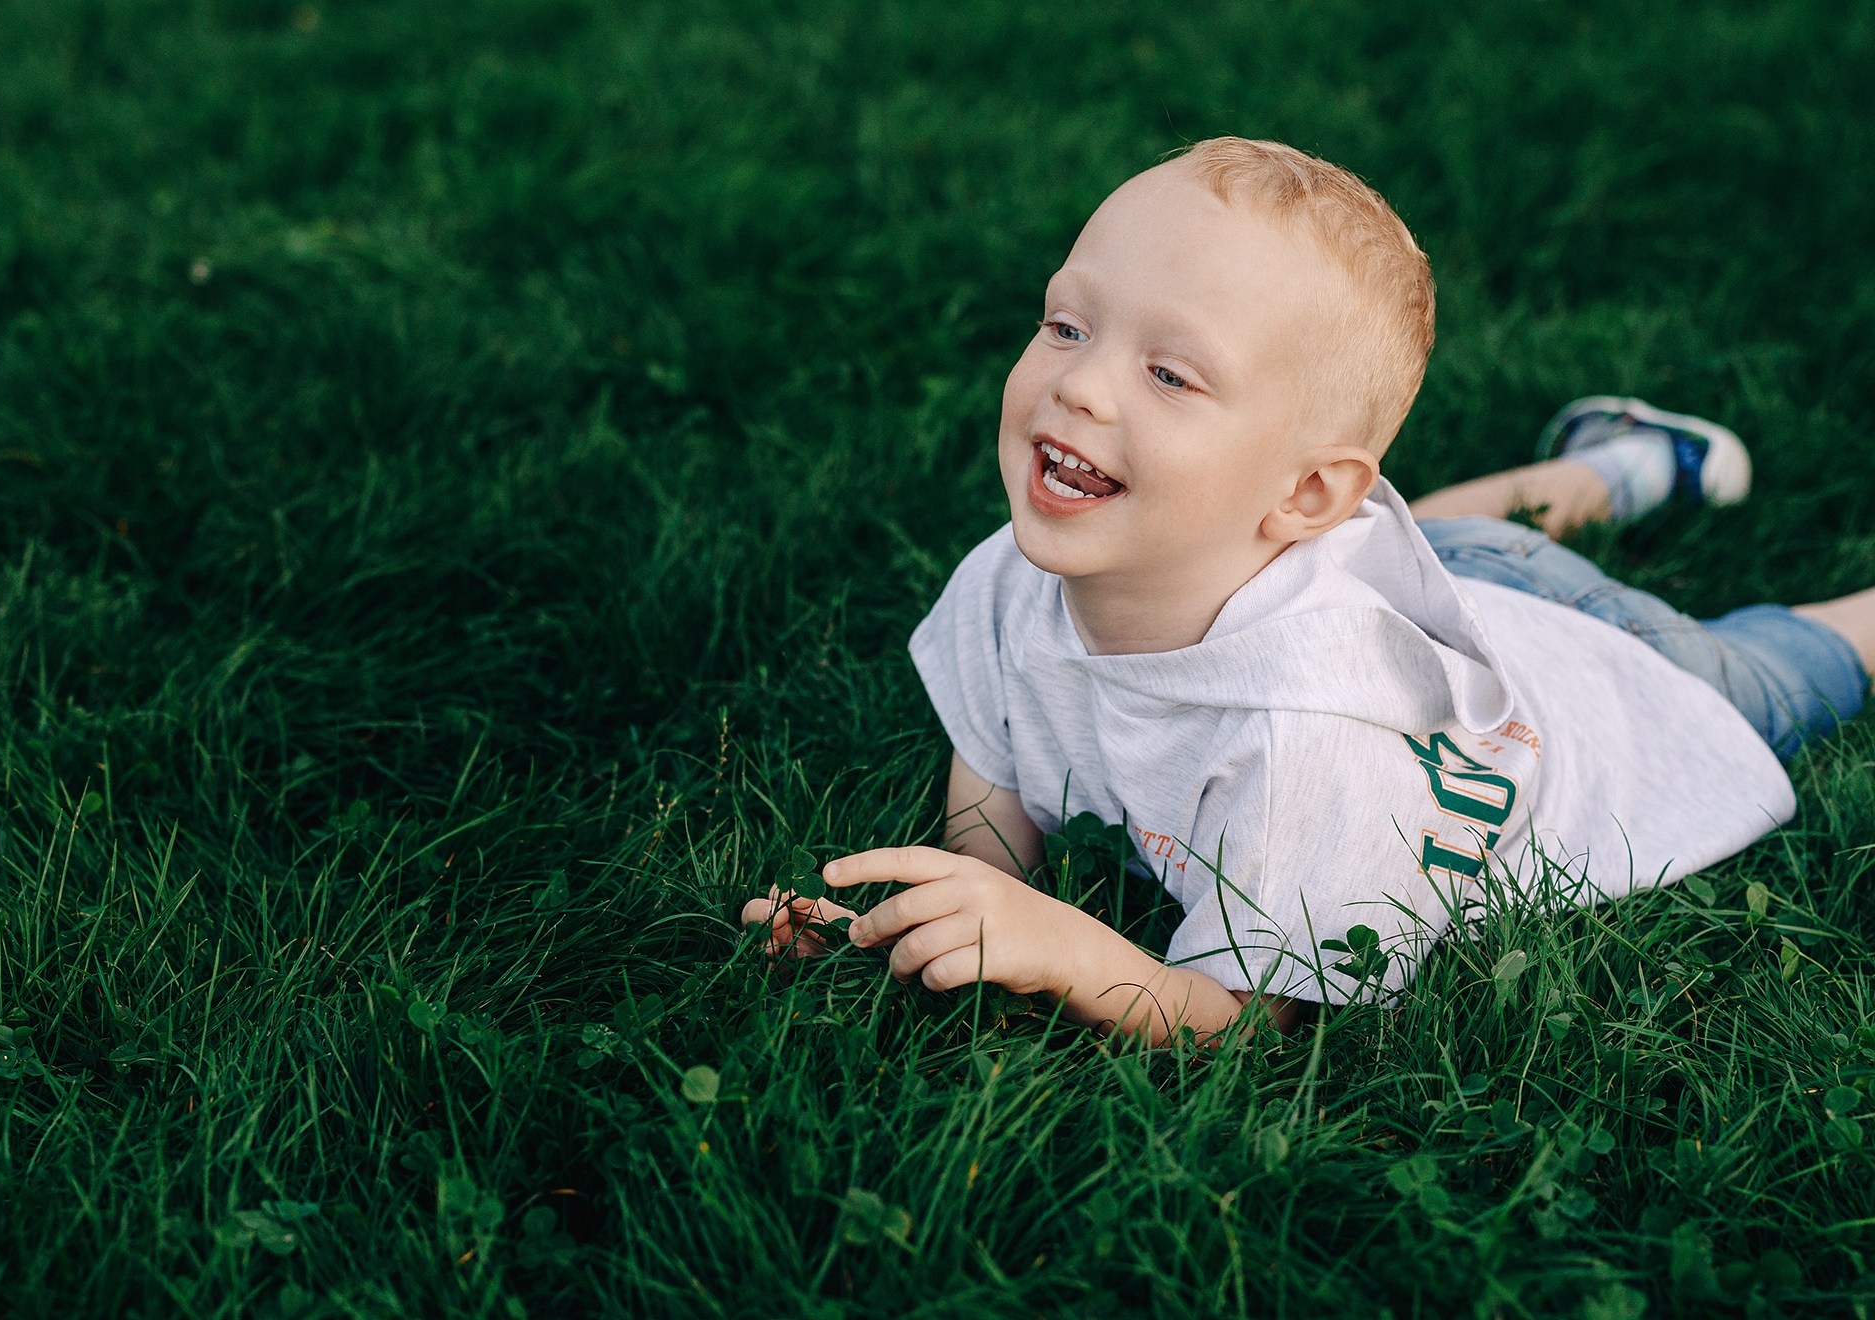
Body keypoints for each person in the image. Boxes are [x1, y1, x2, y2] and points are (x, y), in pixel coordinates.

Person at [740, 138, 1875, 1043]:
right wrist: (920, 923)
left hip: (1594, 670)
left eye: (1167, 372)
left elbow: (1253, 1023)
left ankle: (1699, 527)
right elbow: (990, 823)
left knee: (1782, 665)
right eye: (1066, 324)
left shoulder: (1310, 744)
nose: (1076, 384)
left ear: (1304, 495)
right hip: (1429, 566)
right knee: (1453, 533)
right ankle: (1621, 464)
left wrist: (1081, 956)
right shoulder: (1019, 579)